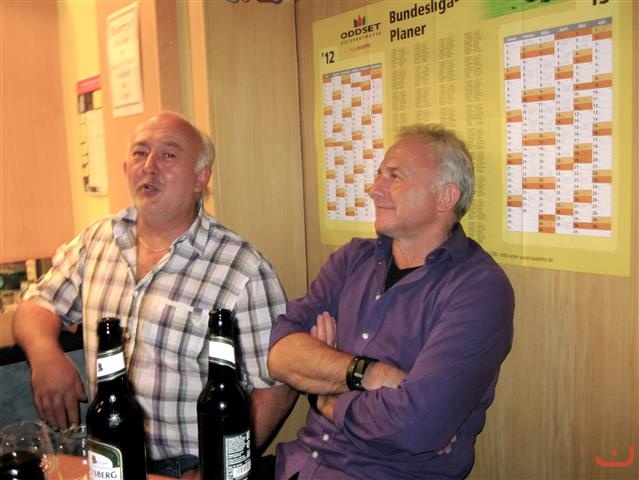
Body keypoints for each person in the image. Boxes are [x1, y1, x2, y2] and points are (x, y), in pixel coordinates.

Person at [13, 111, 297, 478]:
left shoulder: (241, 268)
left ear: (201, 178)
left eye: (168, 154)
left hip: (189, 465)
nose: (149, 166)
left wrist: (220, 466)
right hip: (107, 456)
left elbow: (277, 386)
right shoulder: (96, 240)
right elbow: (38, 303)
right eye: (140, 153)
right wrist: (44, 354)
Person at [268, 124, 515, 479]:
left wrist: (325, 398)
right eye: (378, 175)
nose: (373, 189)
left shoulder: (478, 289)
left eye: (394, 176)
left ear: (445, 197)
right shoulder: (352, 259)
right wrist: (368, 373)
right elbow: (280, 356)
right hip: (298, 465)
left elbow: (417, 425)